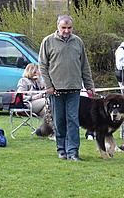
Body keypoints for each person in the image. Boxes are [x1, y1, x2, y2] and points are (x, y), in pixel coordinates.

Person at [39, 15, 95, 161]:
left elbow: (84, 66)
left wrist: (89, 85)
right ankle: (61, 149)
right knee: (59, 121)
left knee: (73, 121)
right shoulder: (48, 41)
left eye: (69, 28)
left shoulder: (78, 42)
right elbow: (43, 66)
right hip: (56, 91)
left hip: (74, 89)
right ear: (58, 26)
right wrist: (48, 85)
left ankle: (73, 151)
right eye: (63, 28)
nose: (66, 31)